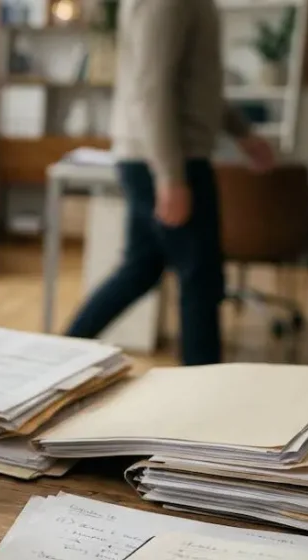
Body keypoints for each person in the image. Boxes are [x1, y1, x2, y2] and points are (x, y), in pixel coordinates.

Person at [65, 0, 276, 365]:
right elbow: (152, 88)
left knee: (142, 269)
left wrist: (242, 132)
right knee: (202, 280)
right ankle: (203, 388)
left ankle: (60, 351)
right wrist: (170, 176)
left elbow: (195, 83)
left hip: (163, 157)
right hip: (169, 159)